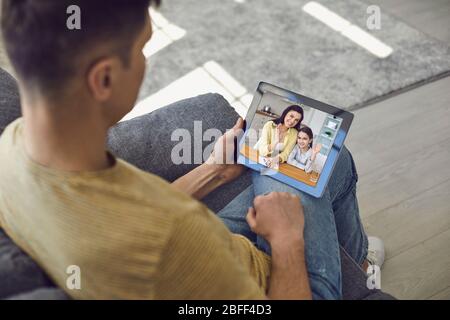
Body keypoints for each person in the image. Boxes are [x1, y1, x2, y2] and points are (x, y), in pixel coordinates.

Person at [0, 0, 384, 300]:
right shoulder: (171, 236)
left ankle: (358, 263)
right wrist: (286, 239)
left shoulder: (12, 147)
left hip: (179, 262)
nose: (145, 62)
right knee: (333, 163)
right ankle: (353, 276)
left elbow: (132, 212)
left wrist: (214, 170)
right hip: (265, 281)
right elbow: (159, 233)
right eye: (141, 48)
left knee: (318, 162)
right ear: (103, 78)